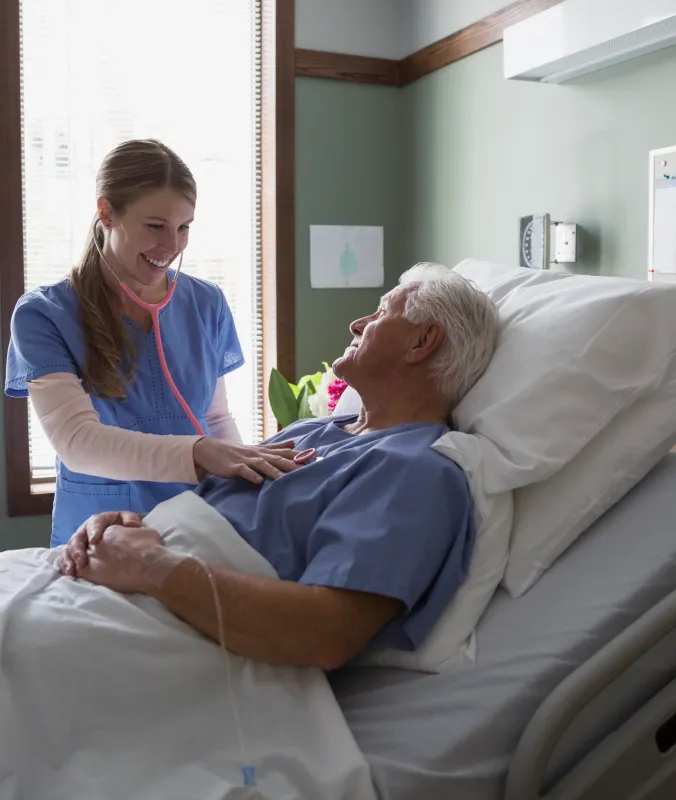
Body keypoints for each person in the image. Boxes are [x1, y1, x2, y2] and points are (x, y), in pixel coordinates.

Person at [58, 264, 500, 668]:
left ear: (423, 341)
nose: (357, 323)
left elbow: (327, 634)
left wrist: (149, 565)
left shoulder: (416, 471)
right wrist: (128, 527)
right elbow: (208, 518)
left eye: (381, 312)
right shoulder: (311, 430)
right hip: (117, 591)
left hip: (171, 635)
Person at [5, 139, 304, 548]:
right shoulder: (44, 314)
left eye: (184, 228)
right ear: (106, 212)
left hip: (197, 523)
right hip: (102, 531)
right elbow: (77, 442)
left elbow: (215, 420)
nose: (172, 246)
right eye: (155, 226)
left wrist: (246, 492)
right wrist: (200, 453)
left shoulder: (206, 303)